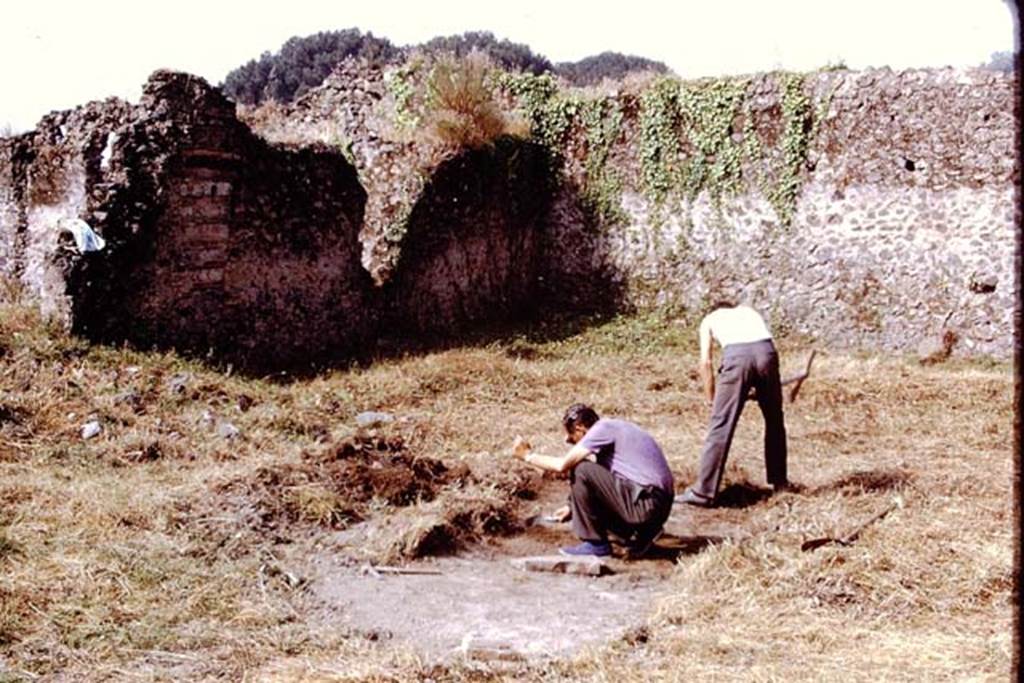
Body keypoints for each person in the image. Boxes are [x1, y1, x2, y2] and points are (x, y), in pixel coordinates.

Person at [511, 403, 674, 558]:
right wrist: (571, 507)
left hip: (647, 503)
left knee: (581, 468)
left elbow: (563, 466)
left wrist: (527, 456)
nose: (570, 442)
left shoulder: (602, 429)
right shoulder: (615, 430)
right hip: (656, 508)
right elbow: (605, 481)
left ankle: (596, 544)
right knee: (587, 470)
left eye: (571, 438)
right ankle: (640, 536)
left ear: (579, 429)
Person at [676, 301, 789, 507]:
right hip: (767, 353)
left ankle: (703, 492)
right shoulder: (748, 311)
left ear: (715, 309)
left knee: (720, 425)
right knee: (775, 420)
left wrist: (712, 400)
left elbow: (705, 363)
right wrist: (755, 386)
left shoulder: (709, 319)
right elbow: (757, 355)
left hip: (737, 358)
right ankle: (780, 483)